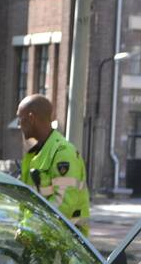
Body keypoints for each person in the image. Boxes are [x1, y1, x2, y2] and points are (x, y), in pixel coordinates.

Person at [16, 94, 90, 235]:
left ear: (31, 118)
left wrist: (30, 229)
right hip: (45, 238)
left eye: (21, 119)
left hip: (66, 242)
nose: (19, 125)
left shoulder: (63, 153)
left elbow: (62, 204)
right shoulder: (37, 153)